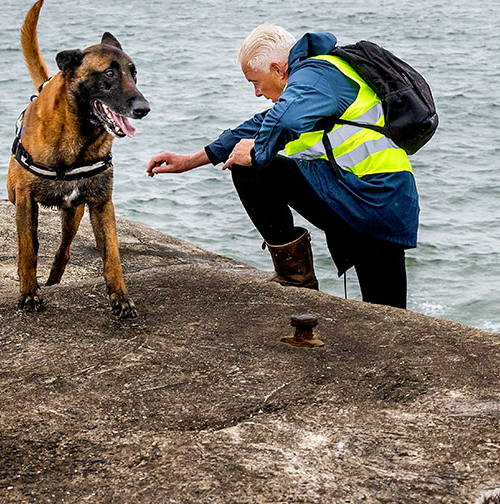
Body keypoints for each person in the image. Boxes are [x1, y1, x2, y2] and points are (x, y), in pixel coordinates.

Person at [146, 24, 418, 308]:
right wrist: (190, 160)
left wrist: (258, 152)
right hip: (359, 199)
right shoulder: (309, 87)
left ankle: (296, 277)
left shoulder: (315, 77)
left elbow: (285, 121)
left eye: (255, 82)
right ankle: (294, 275)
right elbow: (260, 125)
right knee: (383, 310)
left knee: (386, 310)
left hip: (374, 199)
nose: (257, 92)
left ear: (278, 69)